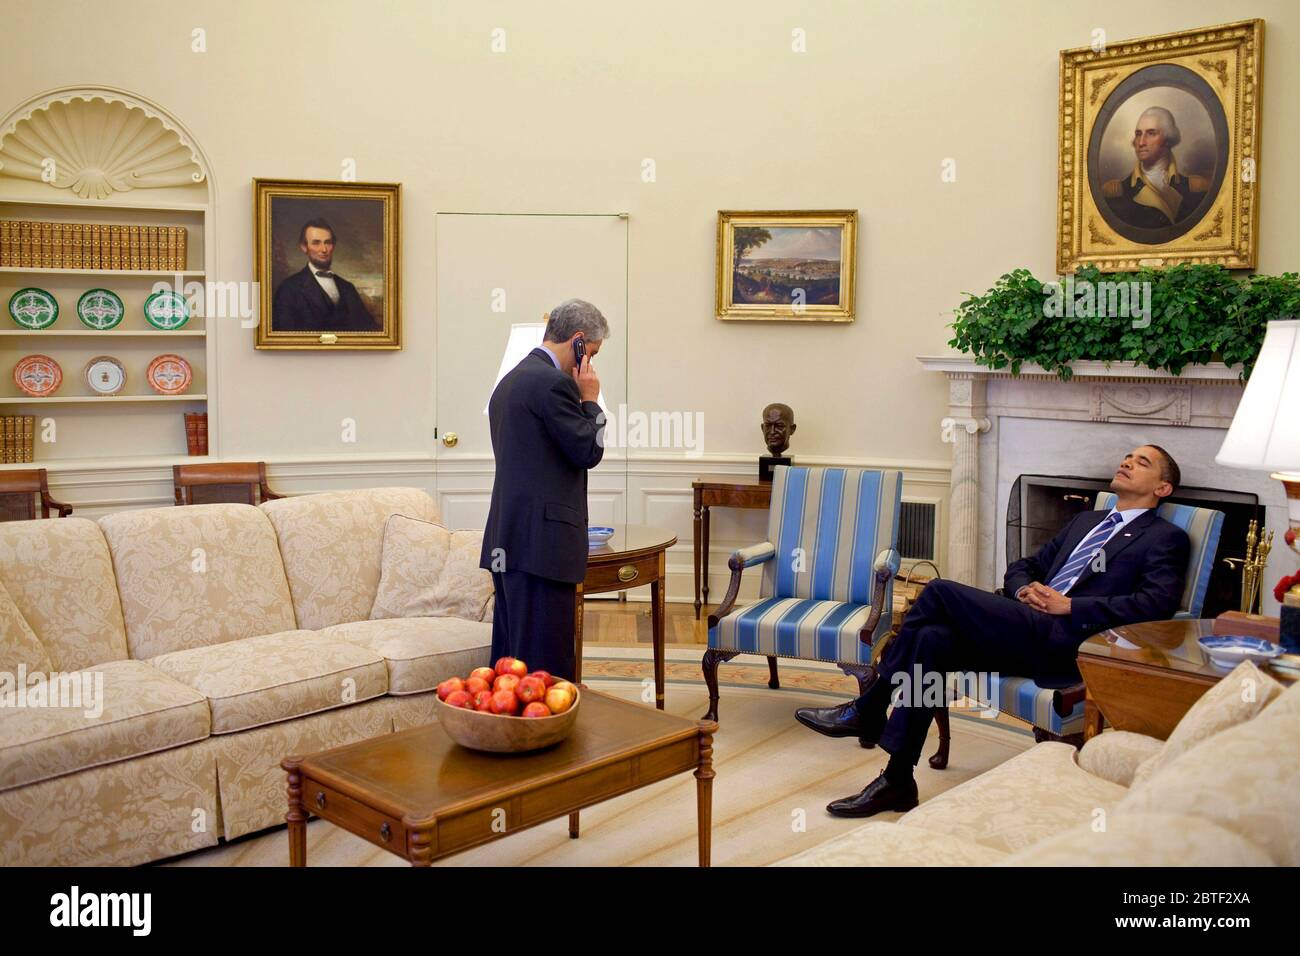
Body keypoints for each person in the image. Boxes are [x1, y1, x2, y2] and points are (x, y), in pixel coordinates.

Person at [796, 444, 1190, 817]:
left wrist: (1070, 605)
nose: (1127, 461)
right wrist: (1024, 588)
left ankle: (870, 705)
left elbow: (1156, 604)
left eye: (1142, 462)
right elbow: (1026, 564)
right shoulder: (1087, 521)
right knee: (932, 640)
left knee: (938, 591)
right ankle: (898, 780)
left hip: (1068, 639)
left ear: (1162, 488)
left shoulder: (1166, 538)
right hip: (1025, 626)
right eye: (1128, 456)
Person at [479, 299, 609, 678]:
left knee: (511, 661)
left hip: (510, 542)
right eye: (592, 353)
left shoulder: (513, 378)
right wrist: (590, 399)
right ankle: (549, 736)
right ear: (579, 341)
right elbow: (588, 449)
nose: (589, 365)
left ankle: (508, 734)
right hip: (542, 547)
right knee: (545, 670)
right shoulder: (552, 384)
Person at [1101, 106, 1210, 229]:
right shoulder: (1115, 193)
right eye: (1138, 134)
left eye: (1151, 133)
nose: (1141, 142)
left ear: (1167, 139)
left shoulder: (1196, 188)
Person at [271, 218, 380, 332]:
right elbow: (283, 337)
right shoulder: (288, 289)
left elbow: (369, 330)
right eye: (316, 243)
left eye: (328, 242)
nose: (324, 249)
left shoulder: (348, 288)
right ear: (304, 247)